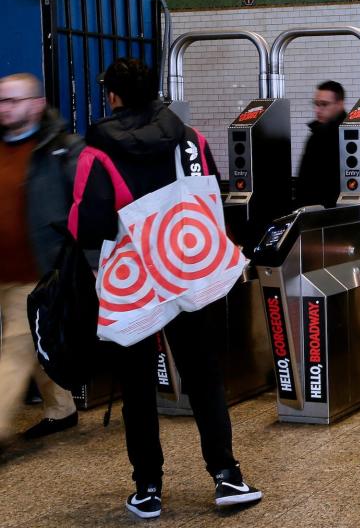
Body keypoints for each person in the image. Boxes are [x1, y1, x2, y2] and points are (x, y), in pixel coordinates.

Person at [70, 58, 261, 519]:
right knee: (203, 377)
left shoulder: (96, 153)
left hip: (133, 283)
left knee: (137, 386)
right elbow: (210, 197)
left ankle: (148, 488)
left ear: (112, 96)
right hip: (187, 270)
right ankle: (227, 476)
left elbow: (87, 225)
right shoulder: (191, 139)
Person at [0, 73, 79, 447]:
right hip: (3, 267)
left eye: (12, 101)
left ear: (35, 104)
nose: (4, 108)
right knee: (35, 341)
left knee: (15, 349)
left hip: (36, 271)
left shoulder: (59, 149)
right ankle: (61, 407)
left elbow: (83, 203)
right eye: (1, 101)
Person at [297, 80, 346, 209]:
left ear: (340, 104)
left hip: (329, 215)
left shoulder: (347, 136)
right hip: (312, 212)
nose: (318, 109)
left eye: (324, 104)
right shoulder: (317, 133)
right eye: (316, 104)